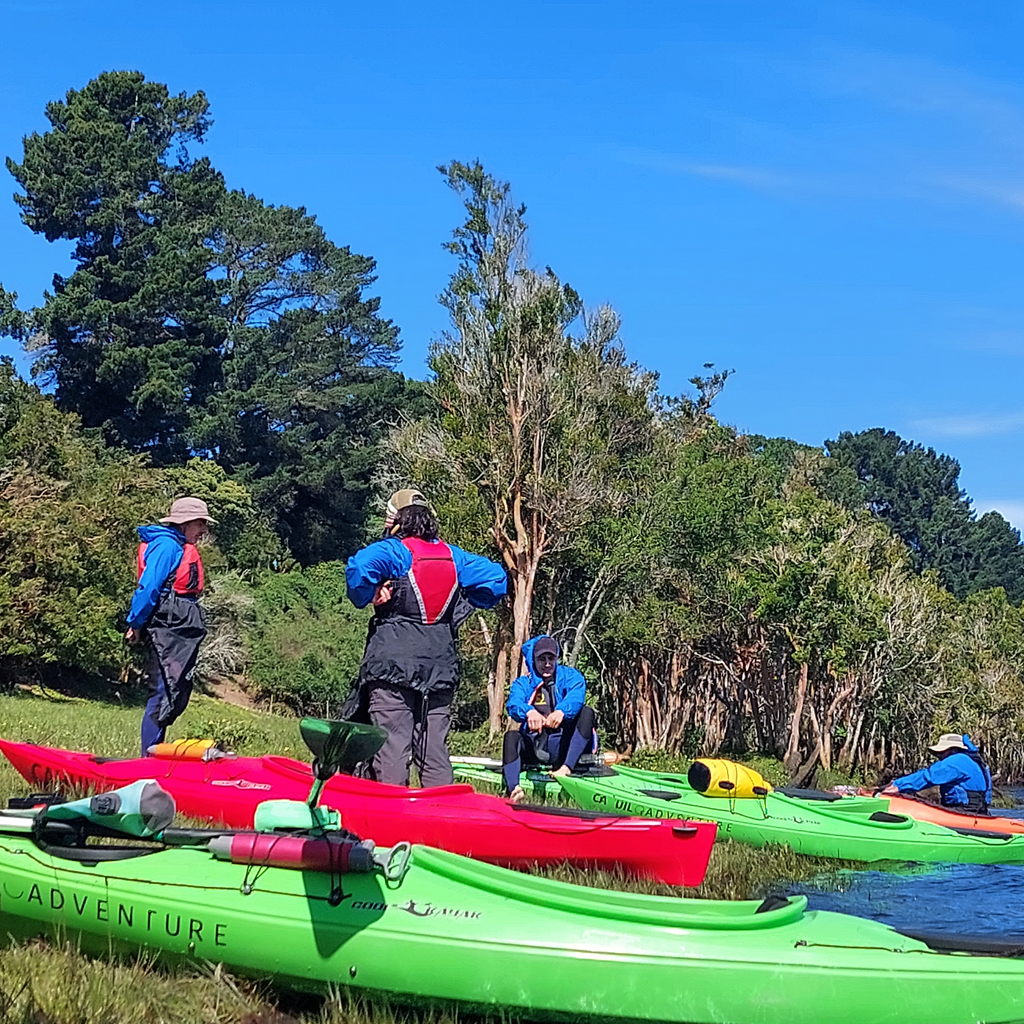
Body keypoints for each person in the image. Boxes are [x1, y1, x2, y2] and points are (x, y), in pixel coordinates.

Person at [345, 488, 506, 787]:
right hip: (439, 667)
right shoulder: (454, 557)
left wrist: (370, 592)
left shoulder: (394, 552)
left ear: (396, 520)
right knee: (433, 752)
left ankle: (390, 825)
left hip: (391, 665)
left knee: (391, 747)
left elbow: (358, 568)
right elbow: (497, 579)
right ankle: (442, 824)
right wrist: (468, 596)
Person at [126, 497, 214, 757]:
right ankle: (147, 759)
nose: (203, 530)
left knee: (173, 691)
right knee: (163, 691)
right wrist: (135, 623)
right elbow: (149, 587)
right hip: (167, 625)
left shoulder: (176, 544)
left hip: (178, 623)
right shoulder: (166, 546)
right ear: (185, 523)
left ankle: (155, 754)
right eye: (200, 523)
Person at [503, 635, 597, 803]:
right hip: (537, 746)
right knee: (511, 736)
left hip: (564, 747)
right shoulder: (523, 683)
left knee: (586, 712)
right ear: (534, 660)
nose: (547, 664)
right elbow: (513, 704)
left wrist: (561, 712)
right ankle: (514, 789)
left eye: (550, 658)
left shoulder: (570, 676)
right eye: (541, 659)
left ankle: (566, 768)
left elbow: (576, 697)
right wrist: (529, 712)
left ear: (556, 658)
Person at [888, 733, 992, 813]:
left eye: (941, 752)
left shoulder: (956, 761)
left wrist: (898, 786)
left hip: (962, 811)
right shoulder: (974, 761)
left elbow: (929, 776)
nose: (939, 756)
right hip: (978, 811)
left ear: (952, 749)